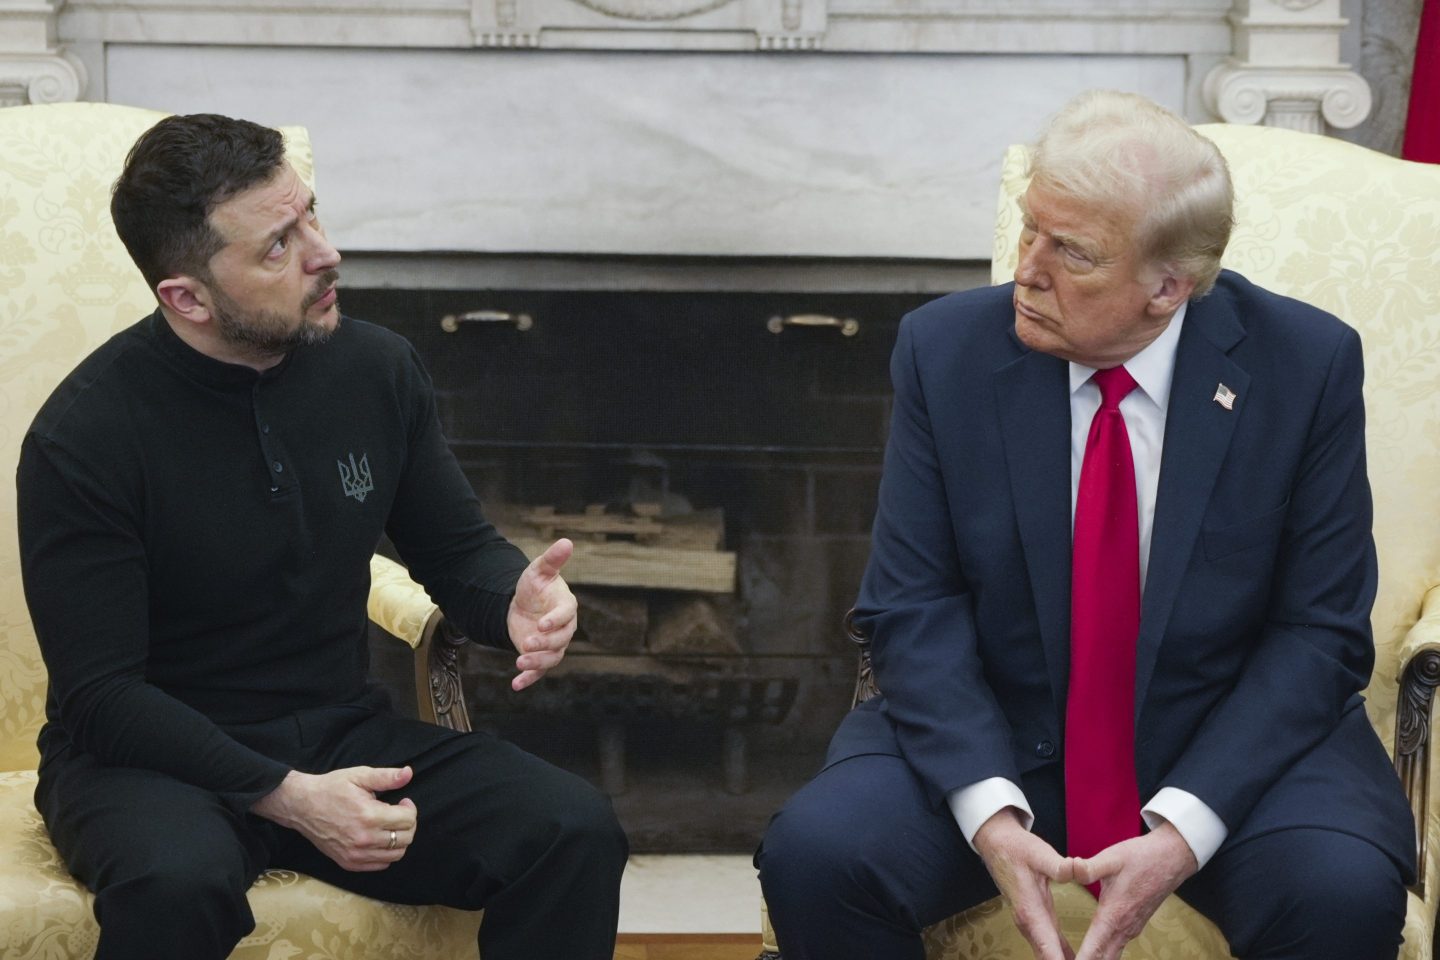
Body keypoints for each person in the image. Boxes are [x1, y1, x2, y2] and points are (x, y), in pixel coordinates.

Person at [757, 90, 1415, 960]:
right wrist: (989, 812)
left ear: (1168, 287)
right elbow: (912, 605)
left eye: (1072, 252)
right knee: (818, 856)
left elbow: (1319, 633)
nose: (1027, 269)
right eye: (1031, 230)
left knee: (1340, 893)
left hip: (1227, 744)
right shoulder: (945, 351)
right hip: (999, 728)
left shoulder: (1304, 366)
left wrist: (1184, 826)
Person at [16, 113, 628, 960]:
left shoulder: (375, 369)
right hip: (149, 763)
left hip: (338, 736)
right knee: (175, 883)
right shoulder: (85, 438)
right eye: (277, 246)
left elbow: (456, 555)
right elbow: (102, 698)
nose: (323, 252)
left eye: (312, 216)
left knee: (571, 828)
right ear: (186, 297)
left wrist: (515, 604)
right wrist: (288, 797)